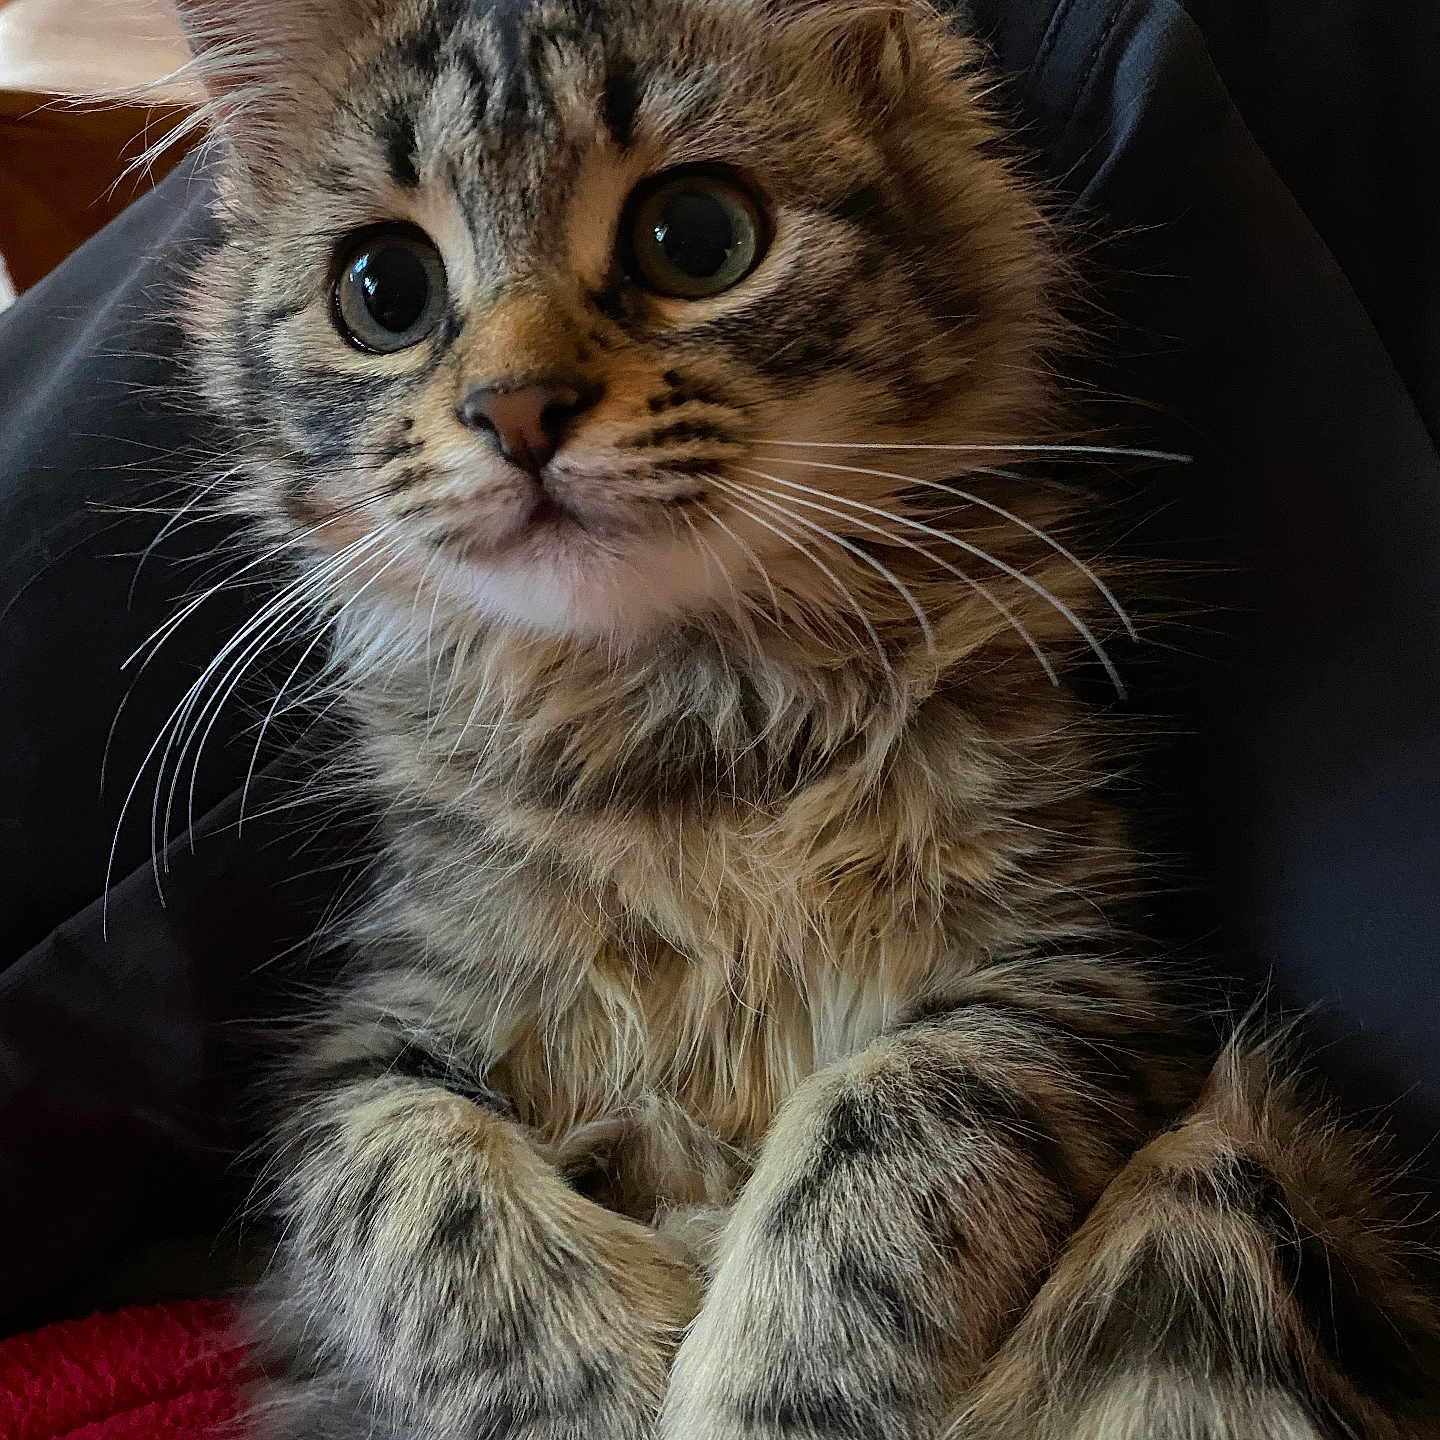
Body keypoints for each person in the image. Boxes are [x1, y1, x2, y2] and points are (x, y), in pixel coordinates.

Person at [2, 0, 1437, 1332]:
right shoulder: (433, 743)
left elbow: (1085, 1028)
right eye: (387, 293)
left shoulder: (999, 653)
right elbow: (374, 1111)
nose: (515, 388)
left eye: (691, 238)